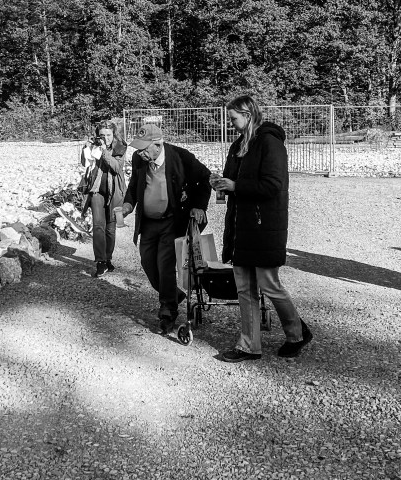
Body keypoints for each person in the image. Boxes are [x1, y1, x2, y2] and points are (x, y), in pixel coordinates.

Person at [211, 94, 312, 363]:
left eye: (233, 118)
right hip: (241, 225)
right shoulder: (237, 145)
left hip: (264, 226)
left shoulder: (270, 142)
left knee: (269, 284)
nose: (231, 123)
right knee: (244, 288)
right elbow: (233, 180)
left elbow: (273, 185)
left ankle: (297, 333)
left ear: (248, 115)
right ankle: (248, 346)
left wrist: (236, 186)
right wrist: (220, 182)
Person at [122, 122, 211, 333]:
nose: (140, 153)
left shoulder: (181, 157)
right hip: (148, 222)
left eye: (144, 148)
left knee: (165, 265)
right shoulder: (139, 159)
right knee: (147, 263)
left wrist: (199, 206)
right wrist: (128, 204)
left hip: (172, 220)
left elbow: (205, 178)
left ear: (158, 144)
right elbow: (134, 185)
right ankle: (174, 295)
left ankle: (168, 311)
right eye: (138, 148)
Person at [80, 119, 128, 277]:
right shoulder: (94, 145)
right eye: (102, 135)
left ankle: (108, 258)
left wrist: (104, 151)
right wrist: (85, 149)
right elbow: (84, 163)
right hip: (96, 190)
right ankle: (100, 261)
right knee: (98, 226)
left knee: (111, 228)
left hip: (116, 192)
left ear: (114, 134)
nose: (105, 138)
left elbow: (116, 167)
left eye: (108, 135)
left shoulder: (121, 146)